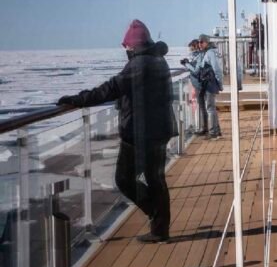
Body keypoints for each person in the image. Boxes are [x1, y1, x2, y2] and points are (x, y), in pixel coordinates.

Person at [58, 20, 174, 243]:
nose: (126, 50)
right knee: (155, 179)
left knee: (125, 179)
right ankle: (159, 227)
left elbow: (111, 88)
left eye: (127, 46)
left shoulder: (140, 64)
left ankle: (157, 221)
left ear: (133, 45)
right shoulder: (157, 60)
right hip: (158, 129)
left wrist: (78, 100)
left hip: (141, 132)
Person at [193, 34, 223, 139]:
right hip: (209, 83)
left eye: (202, 42)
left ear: (207, 42)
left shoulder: (210, 53)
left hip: (210, 84)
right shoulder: (209, 52)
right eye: (199, 42)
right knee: (212, 108)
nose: (199, 44)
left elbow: (217, 69)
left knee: (210, 108)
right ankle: (216, 131)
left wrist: (220, 83)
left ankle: (213, 132)